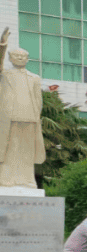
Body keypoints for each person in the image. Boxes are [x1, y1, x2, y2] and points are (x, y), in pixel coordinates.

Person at [0, 36, 46, 189]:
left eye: (23, 56)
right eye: (16, 56)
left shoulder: (35, 78)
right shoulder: (5, 75)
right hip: (11, 118)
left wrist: (36, 116)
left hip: (30, 118)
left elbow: (38, 100)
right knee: (10, 150)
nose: (20, 58)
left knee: (27, 152)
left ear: (27, 59)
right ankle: (7, 180)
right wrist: (3, 45)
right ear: (10, 58)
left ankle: (27, 180)